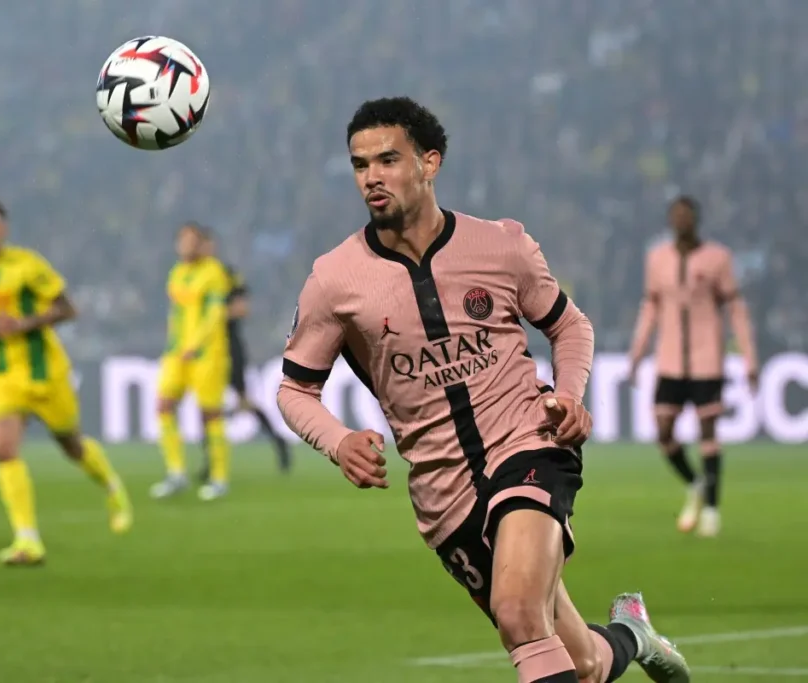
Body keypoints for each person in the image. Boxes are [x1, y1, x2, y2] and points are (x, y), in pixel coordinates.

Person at [276, 97, 689, 683]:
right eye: (360, 164)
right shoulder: (334, 279)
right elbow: (295, 390)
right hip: (443, 495)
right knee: (584, 665)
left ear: (429, 162)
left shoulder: (500, 245)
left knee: (518, 614)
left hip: (527, 443)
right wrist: (337, 441)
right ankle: (633, 636)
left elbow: (569, 326)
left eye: (388, 160)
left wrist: (570, 395)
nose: (372, 177)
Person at [0, 198, 132, 566]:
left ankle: (111, 485)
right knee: (3, 449)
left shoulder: (27, 265)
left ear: (3, 228)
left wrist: (23, 324)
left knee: (72, 446)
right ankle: (27, 540)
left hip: (45, 374)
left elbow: (68, 308)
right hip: (3, 376)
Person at [628, 196, 757, 538]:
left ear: (695, 220)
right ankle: (695, 483)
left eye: (686, 215)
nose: (681, 221)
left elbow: (736, 310)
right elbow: (650, 308)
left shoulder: (717, 258)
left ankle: (712, 510)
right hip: (670, 360)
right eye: (676, 215)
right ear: (671, 220)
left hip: (706, 361)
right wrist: (637, 354)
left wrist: (749, 358)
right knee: (663, 429)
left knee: (708, 431)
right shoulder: (657, 258)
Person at [197, 228, 291, 482]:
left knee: (242, 401)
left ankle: (278, 441)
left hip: (229, 346)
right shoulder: (194, 277)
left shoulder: (226, 274)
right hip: (206, 350)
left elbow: (242, 309)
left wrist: (215, 316)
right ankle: (210, 461)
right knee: (207, 405)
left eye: (206, 245)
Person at [151, 222, 232, 502]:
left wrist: (194, 344)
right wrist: (173, 343)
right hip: (176, 354)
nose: (185, 245)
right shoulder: (177, 272)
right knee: (164, 406)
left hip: (206, 354)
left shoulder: (214, 273)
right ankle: (176, 473)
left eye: (191, 241)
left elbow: (214, 315)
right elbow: (176, 314)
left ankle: (219, 478)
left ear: (200, 244)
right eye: (182, 240)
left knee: (210, 414)